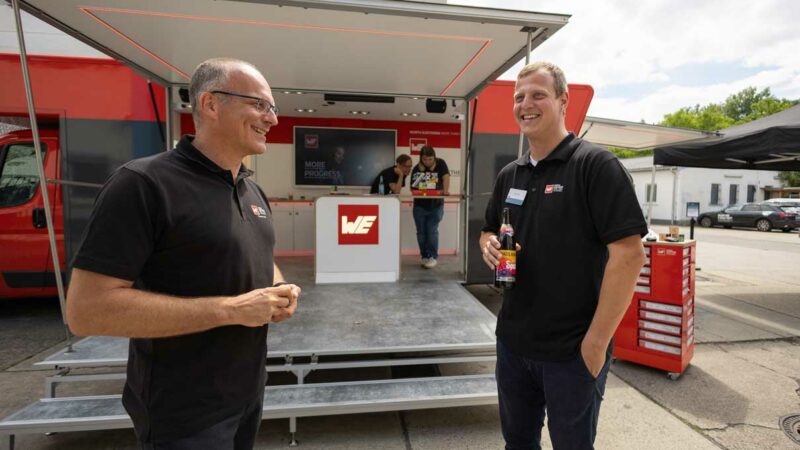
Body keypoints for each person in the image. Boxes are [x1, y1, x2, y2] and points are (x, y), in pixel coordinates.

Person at [65, 57, 300, 450]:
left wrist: (278, 287)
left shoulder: (251, 191)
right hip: (181, 413)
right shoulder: (142, 184)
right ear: (210, 104)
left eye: (272, 107)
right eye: (259, 104)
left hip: (247, 395)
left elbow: (250, 253)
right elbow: (86, 310)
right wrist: (231, 310)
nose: (272, 118)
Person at [479, 62, 647, 449]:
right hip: (514, 343)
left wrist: (595, 344)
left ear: (562, 101)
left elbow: (629, 255)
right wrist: (488, 243)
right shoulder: (510, 174)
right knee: (517, 444)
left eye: (538, 95)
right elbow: (488, 229)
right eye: (519, 97)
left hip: (572, 351)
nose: (526, 104)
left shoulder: (595, 166)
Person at [410, 146, 450, 269]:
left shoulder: (441, 163)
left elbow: (446, 177)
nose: (427, 162)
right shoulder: (417, 168)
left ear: (434, 157)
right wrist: (431, 185)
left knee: (432, 231)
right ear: (421, 158)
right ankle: (424, 256)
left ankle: (432, 256)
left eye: (430, 159)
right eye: (425, 159)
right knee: (421, 232)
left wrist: (445, 190)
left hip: (436, 205)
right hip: (420, 206)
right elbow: (413, 188)